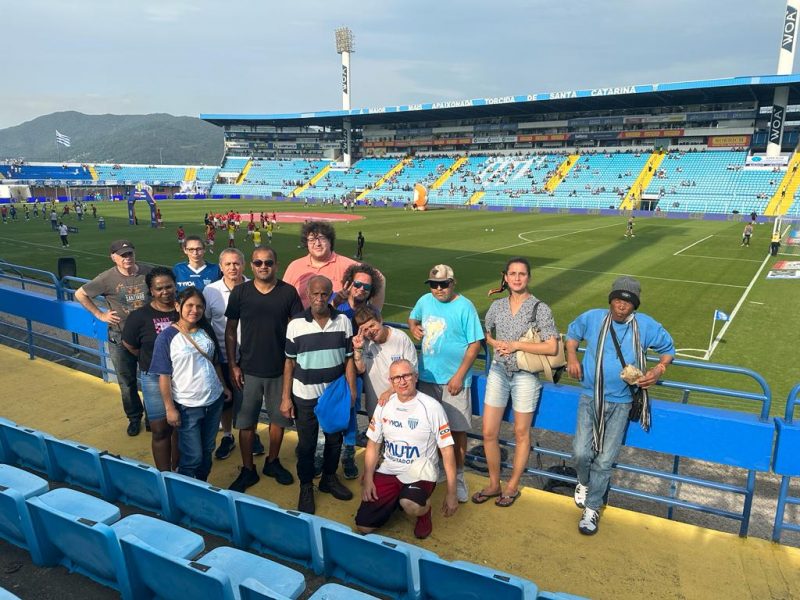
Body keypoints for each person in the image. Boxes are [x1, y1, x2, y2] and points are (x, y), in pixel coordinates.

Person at [566, 276, 674, 535]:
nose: (621, 305)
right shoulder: (593, 318)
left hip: (622, 402)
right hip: (590, 396)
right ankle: (583, 482)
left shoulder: (646, 326)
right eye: (616, 299)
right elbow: (571, 335)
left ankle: (591, 510)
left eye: (626, 302)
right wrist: (572, 357)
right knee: (581, 453)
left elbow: (668, 349)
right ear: (610, 299)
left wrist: (659, 369)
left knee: (604, 461)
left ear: (634, 305)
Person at [472, 257, 558, 508]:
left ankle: (511, 486)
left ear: (528, 278)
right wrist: (494, 343)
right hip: (498, 371)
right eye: (513, 273)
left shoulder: (540, 308)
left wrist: (517, 344)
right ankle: (493, 483)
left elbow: (552, 346)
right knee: (488, 432)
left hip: (525, 375)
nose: (517, 278)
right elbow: (485, 334)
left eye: (522, 274)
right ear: (506, 277)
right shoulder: (498, 306)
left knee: (521, 433)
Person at [225, 246, 303, 492]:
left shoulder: (288, 293)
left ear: (276, 265)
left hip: (280, 370)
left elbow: (298, 330)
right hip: (248, 369)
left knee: (278, 420)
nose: (263, 267)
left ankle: (272, 461)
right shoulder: (240, 292)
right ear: (252, 266)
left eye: (268, 262)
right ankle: (248, 469)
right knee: (246, 422)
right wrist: (233, 364)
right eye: (258, 263)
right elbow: (230, 331)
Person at [355, 359, 458, 539]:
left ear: (415, 377)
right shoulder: (384, 405)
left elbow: (447, 451)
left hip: (420, 472)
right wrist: (369, 476)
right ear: (391, 381)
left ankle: (424, 512)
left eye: (406, 376)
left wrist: (452, 492)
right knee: (363, 526)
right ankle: (394, 500)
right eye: (396, 378)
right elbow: (373, 444)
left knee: (411, 504)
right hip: (390, 470)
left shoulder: (432, 407)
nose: (402, 381)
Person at [408, 264, 484, 503]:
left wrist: (459, 376)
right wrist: (413, 327)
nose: (438, 289)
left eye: (443, 284)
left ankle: (458, 475)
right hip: (428, 377)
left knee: (457, 430)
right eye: (433, 285)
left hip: (454, 381)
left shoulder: (465, 306)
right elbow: (413, 316)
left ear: (453, 282)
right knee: (430, 429)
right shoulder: (424, 300)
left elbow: (475, 345)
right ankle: (436, 469)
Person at [282, 275, 356, 514]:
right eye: (314, 293)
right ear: (308, 294)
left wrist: (352, 391)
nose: (319, 298)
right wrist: (285, 397)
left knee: (335, 441)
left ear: (331, 294)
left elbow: (349, 359)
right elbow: (289, 363)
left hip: (333, 394)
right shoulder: (295, 324)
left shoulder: (343, 321)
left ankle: (328, 479)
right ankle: (306, 486)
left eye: (324, 293)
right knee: (306, 444)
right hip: (305, 394)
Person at [150, 288, 231, 481]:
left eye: (199, 306)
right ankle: (186, 492)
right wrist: (170, 408)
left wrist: (224, 386)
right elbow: (164, 376)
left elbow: (216, 361)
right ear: (178, 306)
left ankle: (201, 484)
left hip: (213, 401)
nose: (195, 310)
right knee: (192, 456)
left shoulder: (206, 330)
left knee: (208, 450)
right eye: (190, 305)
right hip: (188, 405)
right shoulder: (167, 337)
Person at [75, 240, 152, 436]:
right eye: (122, 255)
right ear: (113, 257)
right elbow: (80, 294)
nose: (127, 258)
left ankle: (153, 417)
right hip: (120, 336)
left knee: (152, 379)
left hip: (148, 336)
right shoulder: (106, 278)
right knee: (127, 382)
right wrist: (100, 315)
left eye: (130, 254)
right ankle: (134, 417)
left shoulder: (148, 272)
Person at [202, 248, 265, 462]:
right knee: (226, 399)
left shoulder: (255, 287)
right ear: (220, 267)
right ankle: (228, 435)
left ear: (244, 265)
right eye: (228, 264)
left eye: (236, 263)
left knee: (251, 400)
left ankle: (251, 432)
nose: (232, 268)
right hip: (222, 355)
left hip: (252, 355)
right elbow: (207, 323)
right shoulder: (211, 291)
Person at [122, 267, 179, 471]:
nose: (165, 292)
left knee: (180, 428)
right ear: (151, 291)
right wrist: (155, 360)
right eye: (159, 288)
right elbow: (129, 344)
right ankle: (164, 475)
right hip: (154, 377)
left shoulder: (185, 310)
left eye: (169, 286)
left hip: (183, 377)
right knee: (160, 428)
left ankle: (179, 469)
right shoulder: (140, 316)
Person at [330, 263, 383, 478]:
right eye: (357, 284)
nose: (361, 289)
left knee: (351, 411)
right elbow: (320, 319)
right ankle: (322, 451)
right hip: (331, 366)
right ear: (349, 283)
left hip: (356, 368)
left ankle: (348, 454)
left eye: (366, 287)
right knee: (327, 411)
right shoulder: (334, 301)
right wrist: (335, 301)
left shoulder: (372, 311)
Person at [283, 220, 386, 309]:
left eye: (322, 238)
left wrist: (374, 313)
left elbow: (379, 278)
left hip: (337, 328)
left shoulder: (347, 265)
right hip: (303, 327)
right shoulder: (294, 266)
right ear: (306, 243)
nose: (317, 244)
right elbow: (283, 298)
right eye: (312, 240)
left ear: (330, 241)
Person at [352, 304, 418, 421]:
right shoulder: (364, 343)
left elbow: (413, 374)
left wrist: (389, 392)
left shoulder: (401, 339)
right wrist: (357, 349)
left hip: (401, 405)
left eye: (372, 325)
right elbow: (360, 369)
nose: (370, 331)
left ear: (380, 320)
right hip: (375, 406)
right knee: (376, 439)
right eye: (365, 329)